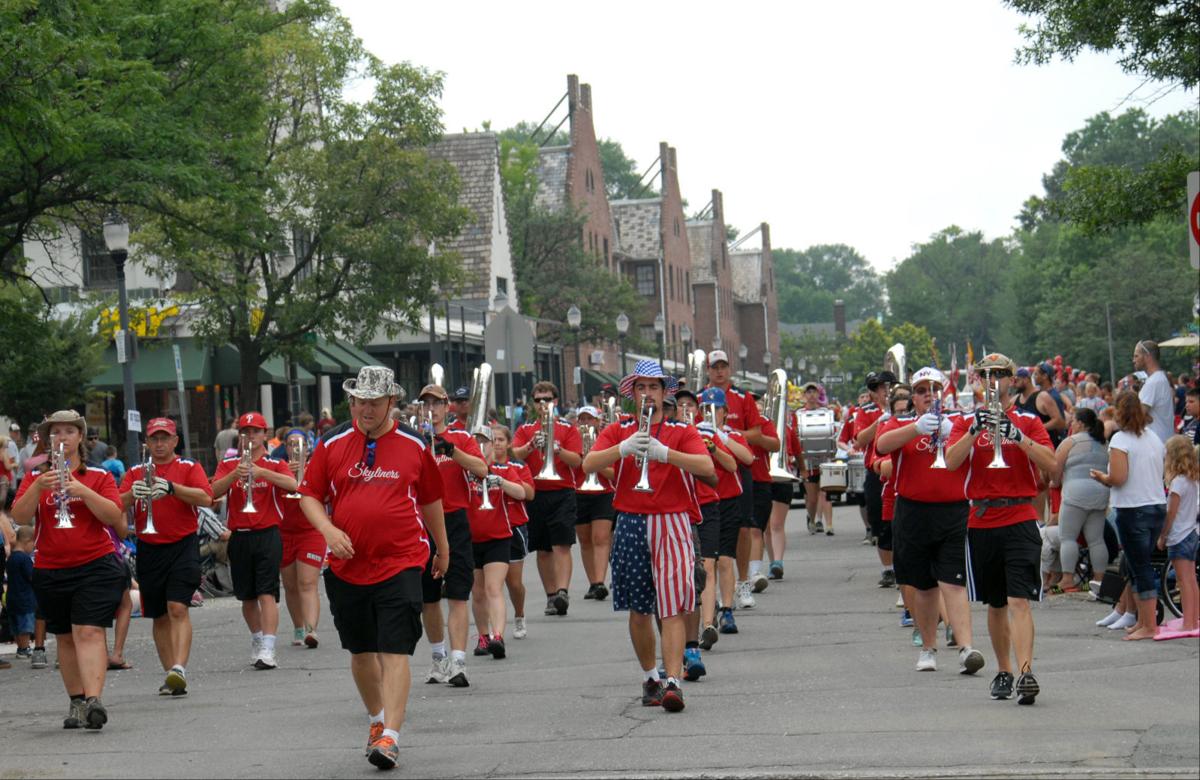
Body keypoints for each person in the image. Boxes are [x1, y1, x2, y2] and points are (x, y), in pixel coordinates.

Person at [297, 365, 450, 771]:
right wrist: (328, 530)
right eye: (359, 400)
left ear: (391, 403)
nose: (365, 408)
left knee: (394, 648)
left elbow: (432, 499)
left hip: (402, 560)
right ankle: (376, 719)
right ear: (351, 401)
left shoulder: (414, 445)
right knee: (362, 650)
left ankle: (391, 736)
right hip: (347, 566)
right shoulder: (332, 443)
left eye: (374, 402)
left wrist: (443, 548)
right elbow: (309, 495)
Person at [583, 360, 715, 713]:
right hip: (630, 520)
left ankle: (673, 681)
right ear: (632, 394)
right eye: (641, 388)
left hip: (671, 521)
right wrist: (623, 448)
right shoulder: (619, 429)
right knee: (639, 609)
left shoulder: (681, 431)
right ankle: (650, 677)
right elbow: (588, 465)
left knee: (671, 606)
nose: (647, 394)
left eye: (653, 388)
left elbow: (707, 468)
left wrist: (666, 454)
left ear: (663, 392)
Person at [944, 354, 1057, 705]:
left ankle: (1026, 673)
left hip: (1020, 515)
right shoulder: (964, 421)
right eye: (986, 375)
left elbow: (1052, 465)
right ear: (978, 381)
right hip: (982, 518)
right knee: (995, 603)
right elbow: (950, 462)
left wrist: (1019, 437)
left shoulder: (1027, 419)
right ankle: (1004, 670)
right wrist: (977, 429)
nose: (993, 381)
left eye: (1000, 375)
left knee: (1018, 598)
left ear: (1011, 379)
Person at [11, 409, 127, 729]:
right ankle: (77, 701)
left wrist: (83, 491)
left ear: (79, 438)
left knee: (88, 630)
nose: (62, 437)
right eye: (56, 432)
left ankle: (94, 701)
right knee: (65, 637)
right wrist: (37, 488)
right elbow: (19, 516)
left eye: (68, 432)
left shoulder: (99, 476)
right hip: (50, 566)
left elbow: (113, 515)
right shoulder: (36, 477)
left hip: (96, 564)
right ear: (49, 439)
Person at [876, 367, 984, 676]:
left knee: (954, 581)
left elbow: (977, 448)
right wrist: (917, 429)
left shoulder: (959, 422)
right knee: (923, 586)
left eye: (934, 389)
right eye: (922, 390)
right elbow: (882, 447)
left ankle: (966, 648)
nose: (928, 395)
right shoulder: (900, 423)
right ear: (913, 396)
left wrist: (959, 433)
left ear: (944, 393)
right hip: (913, 511)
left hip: (954, 511)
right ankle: (928, 648)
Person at [119, 418, 213, 696]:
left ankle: (179, 669)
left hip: (182, 545)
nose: (159, 444)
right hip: (148, 547)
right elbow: (114, 505)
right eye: (154, 439)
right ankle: (170, 673)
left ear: (175, 441)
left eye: (165, 438)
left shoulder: (188, 467)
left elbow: (206, 498)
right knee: (158, 615)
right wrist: (129, 495)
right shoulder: (136, 471)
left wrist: (172, 488)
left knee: (178, 608)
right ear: (146, 443)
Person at [211, 411, 298, 670]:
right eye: (245, 432)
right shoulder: (229, 464)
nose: (250, 436)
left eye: (255, 432)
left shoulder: (273, 463)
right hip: (239, 536)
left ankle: (269, 648)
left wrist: (261, 472)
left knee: (267, 593)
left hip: (268, 534)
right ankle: (258, 639)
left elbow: (293, 485)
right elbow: (212, 492)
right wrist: (233, 476)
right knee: (247, 597)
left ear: (265, 435)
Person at [417, 382, 489, 688]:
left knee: (459, 592)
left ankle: (458, 662)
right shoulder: (411, 439)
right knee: (428, 597)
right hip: (421, 522)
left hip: (454, 519)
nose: (431, 409)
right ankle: (438, 658)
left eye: (437, 403)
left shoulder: (460, 436)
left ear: (447, 407)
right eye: (426, 404)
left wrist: (451, 451)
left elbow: (482, 469)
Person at [1089, 390, 1166, 641]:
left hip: (1133, 508)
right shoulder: (1153, 437)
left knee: (1139, 567)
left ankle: (1149, 625)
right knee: (1138, 566)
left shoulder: (1121, 440)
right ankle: (1143, 620)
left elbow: (1119, 478)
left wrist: (1103, 477)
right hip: (1156, 505)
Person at [511, 382, 583, 617]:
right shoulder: (525, 429)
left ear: (556, 401)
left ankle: (562, 591)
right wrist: (532, 445)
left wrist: (558, 450)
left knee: (561, 544)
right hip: (536, 493)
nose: (543, 404)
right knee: (543, 549)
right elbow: (516, 454)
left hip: (562, 491)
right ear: (533, 403)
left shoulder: (568, 428)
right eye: (539, 400)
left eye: (548, 399)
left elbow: (577, 462)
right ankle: (551, 595)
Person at [467, 425, 528, 660]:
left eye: (486, 442)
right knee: (478, 591)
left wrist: (500, 482)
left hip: (498, 538)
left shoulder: (503, 470)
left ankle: (498, 636)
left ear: (494, 446)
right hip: (472, 539)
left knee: (493, 588)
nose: (482, 447)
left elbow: (522, 494)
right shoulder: (465, 472)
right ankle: (483, 637)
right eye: (478, 442)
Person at [697, 388, 753, 638]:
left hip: (729, 498)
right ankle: (709, 607)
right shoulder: (693, 433)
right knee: (708, 561)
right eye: (705, 409)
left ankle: (727, 609)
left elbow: (745, 460)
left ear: (725, 412)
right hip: (703, 501)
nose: (711, 414)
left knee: (726, 559)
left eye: (716, 409)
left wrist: (719, 440)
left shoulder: (732, 434)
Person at [1053, 409, 1110, 593]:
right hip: (1100, 492)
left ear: (1081, 423)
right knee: (1096, 540)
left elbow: (1055, 469)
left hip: (1075, 493)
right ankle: (1099, 579)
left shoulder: (1070, 442)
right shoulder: (1103, 442)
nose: (1071, 425)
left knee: (1067, 537)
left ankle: (1068, 578)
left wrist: (1055, 482)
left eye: (1074, 422)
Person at [279, 429, 324, 649]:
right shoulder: (280, 468)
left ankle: (311, 629)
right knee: (290, 585)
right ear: (285, 448)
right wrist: (286, 475)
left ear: (308, 447)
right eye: (291, 444)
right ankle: (298, 626)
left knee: (307, 582)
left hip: (311, 532)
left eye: (300, 444)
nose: (296, 449)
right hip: (284, 532)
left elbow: (325, 495)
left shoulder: (317, 467)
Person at [851, 371, 897, 586]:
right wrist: (879, 421)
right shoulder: (866, 411)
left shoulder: (906, 407)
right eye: (879, 388)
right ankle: (888, 568)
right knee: (879, 519)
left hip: (901, 469)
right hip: (877, 471)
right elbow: (859, 440)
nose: (884, 391)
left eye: (887, 386)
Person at [491, 425, 534, 640]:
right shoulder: (482, 465)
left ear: (508, 443)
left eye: (500, 439)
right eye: (493, 439)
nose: (496, 443)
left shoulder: (517, 465)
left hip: (514, 526)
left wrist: (506, 481)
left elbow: (529, 494)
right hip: (490, 527)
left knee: (514, 583)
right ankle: (495, 629)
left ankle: (519, 615)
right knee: (492, 585)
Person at [1156, 435, 1199, 639]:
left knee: (1183, 581)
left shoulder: (1177, 484)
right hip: (1191, 533)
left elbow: (1171, 514)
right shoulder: (1191, 480)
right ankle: (1194, 617)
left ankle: (1188, 622)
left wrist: (1163, 536)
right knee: (1191, 580)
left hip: (1179, 535)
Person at [573, 405, 615, 601]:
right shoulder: (574, 441)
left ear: (597, 422)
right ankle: (592, 583)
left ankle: (599, 581)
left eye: (589, 419)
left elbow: (614, 473)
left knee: (600, 537)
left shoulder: (605, 440)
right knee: (585, 540)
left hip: (603, 492)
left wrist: (594, 461)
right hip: (579, 491)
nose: (585, 423)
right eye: (581, 419)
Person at [797, 381, 835, 535]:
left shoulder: (827, 413)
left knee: (825, 493)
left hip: (825, 460)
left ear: (819, 394)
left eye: (814, 392)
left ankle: (829, 525)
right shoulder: (798, 414)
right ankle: (812, 519)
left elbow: (832, 433)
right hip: (808, 462)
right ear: (804, 395)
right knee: (812, 498)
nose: (812, 395)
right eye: (808, 392)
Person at [1134, 340, 1175, 447]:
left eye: (1136, 356)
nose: (1133, 360)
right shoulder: (1160, 378)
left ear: (1147, 356)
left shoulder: (1154, 382)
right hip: (1162, 442)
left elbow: (1137, 415)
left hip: (1156, 445)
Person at [5, 526, 36, 659]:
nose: (33, 548)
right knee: (25, 626)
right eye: (33, 544)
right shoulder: (24, 558)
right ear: (27, 541)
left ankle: (20, 647)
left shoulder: (11, 557)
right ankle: (24, 648)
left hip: (12, 597)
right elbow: (31, 577)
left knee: (16, 625)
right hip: (25, 597)